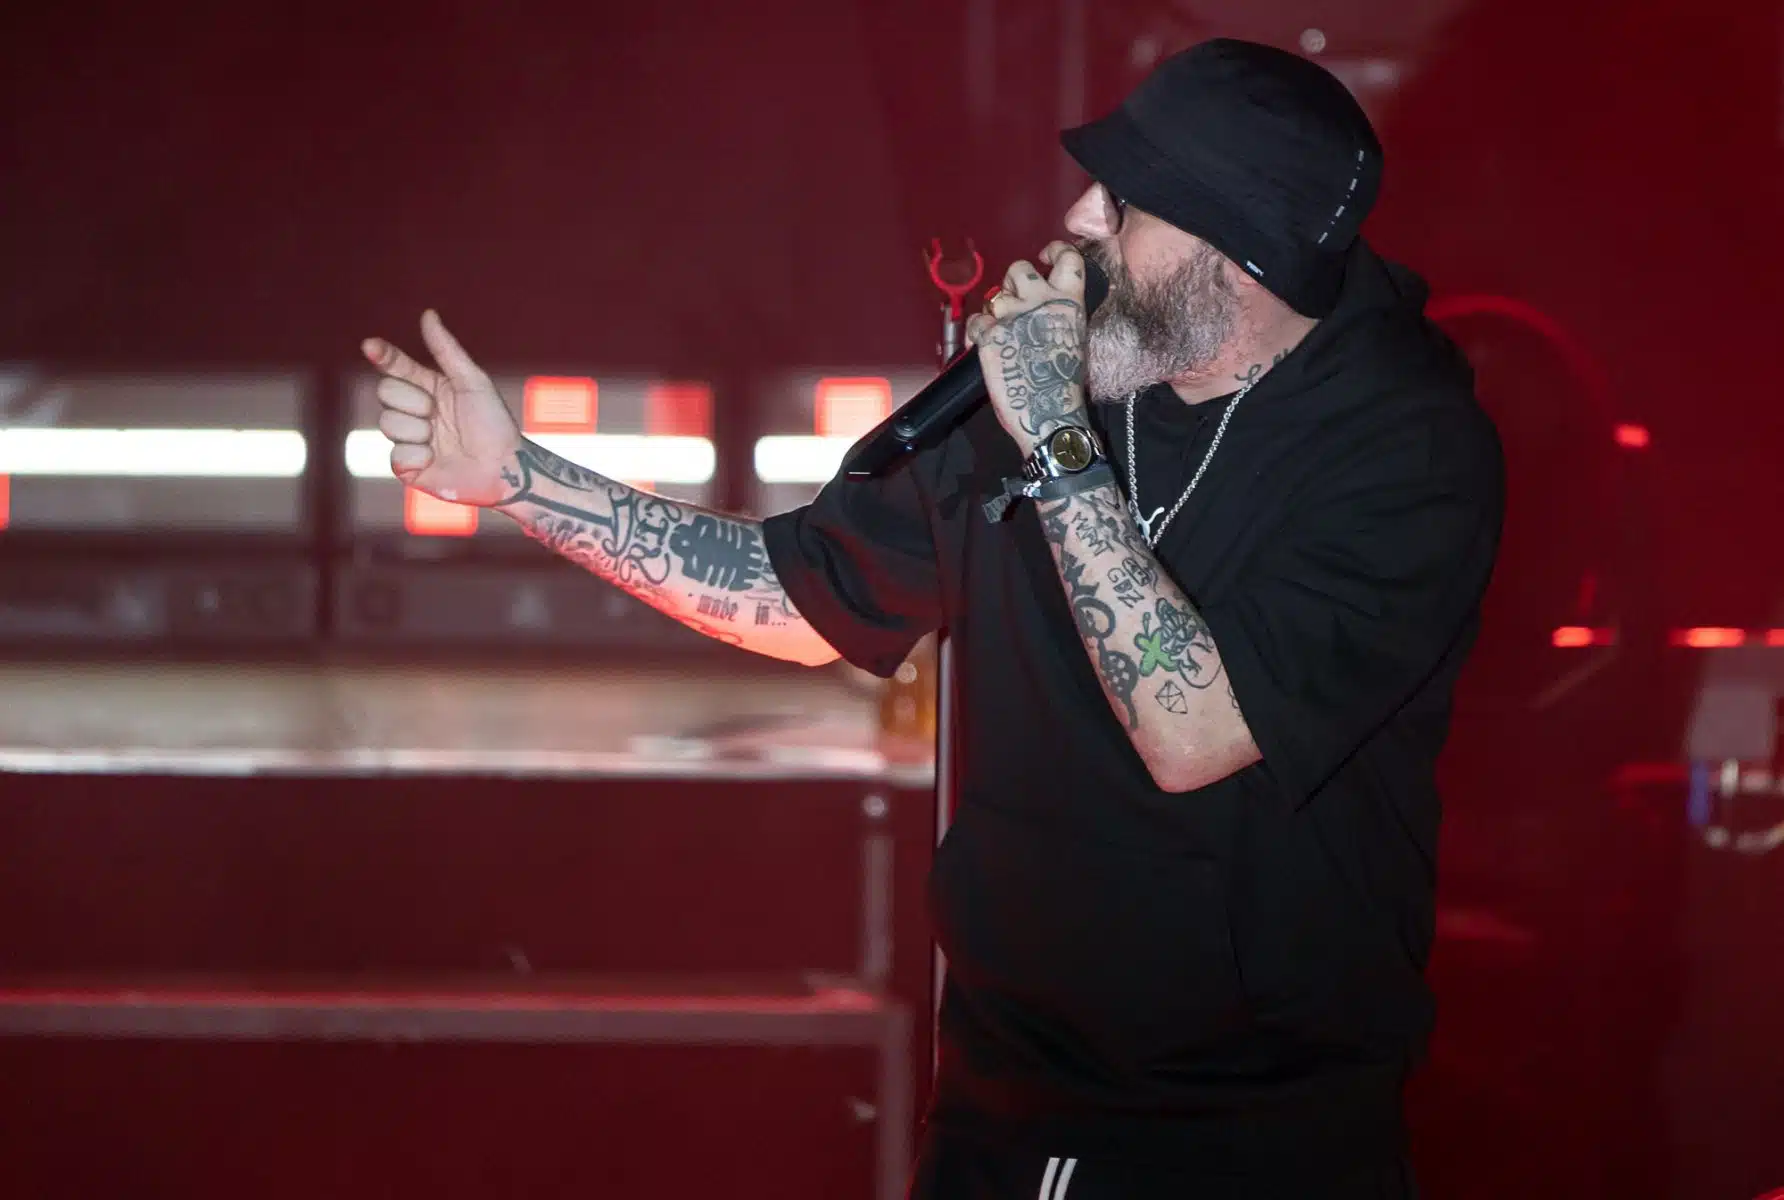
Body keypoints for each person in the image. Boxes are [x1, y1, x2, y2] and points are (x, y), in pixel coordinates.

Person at [362, 37, 1503, 1200]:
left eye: (1123, 204)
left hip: (1256, 1138)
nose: (1077, 218)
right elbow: (797, 594)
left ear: (1236, 258)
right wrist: (521, 482)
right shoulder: (1054, 387)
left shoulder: (1402, 451)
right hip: (1003, 1105)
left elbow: (1193, 729)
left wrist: (1053, 435)